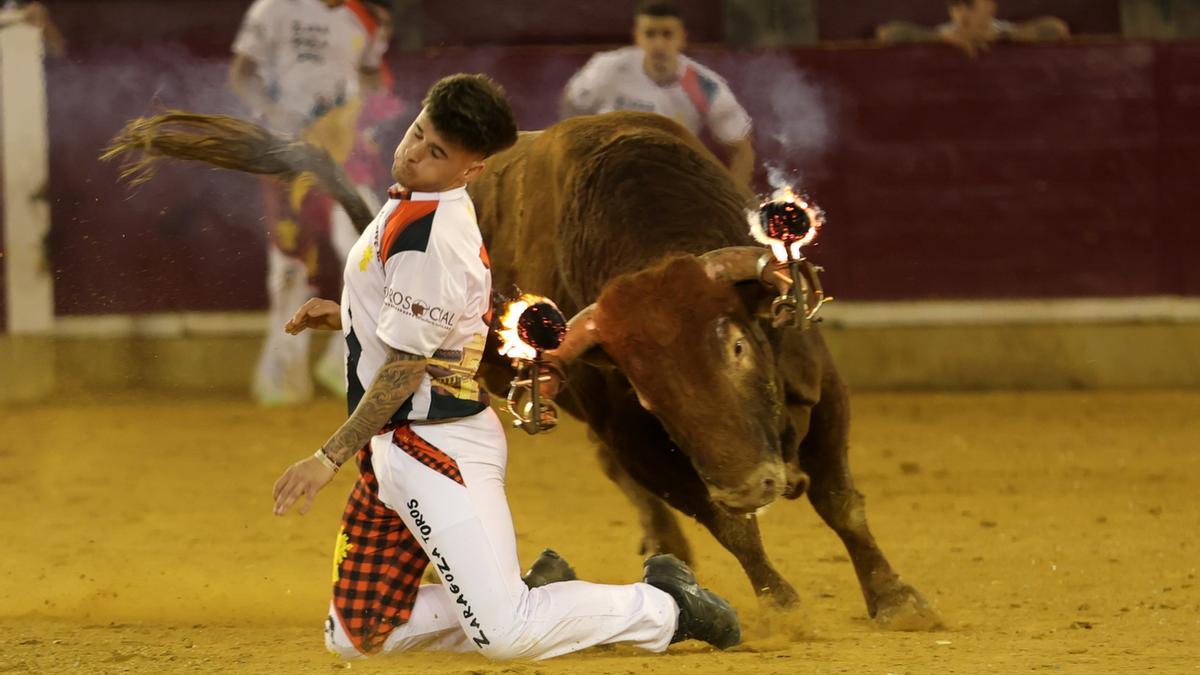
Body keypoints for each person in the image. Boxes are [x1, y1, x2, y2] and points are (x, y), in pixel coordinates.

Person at [272, 73, 741, 660]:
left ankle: (667, 607)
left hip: (437, 450)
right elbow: (430, 321)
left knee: (504, 636)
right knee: (357, 633)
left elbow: (404, 370)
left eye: (436, 152)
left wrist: (325, 459)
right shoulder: (410, 204)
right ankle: (540, 596)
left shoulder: (430, 239)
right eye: (418, 133)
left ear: (471, 171)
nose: (413, 153)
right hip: (394, 445)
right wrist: (351, 314)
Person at [229, 0, 392, 405]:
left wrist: (368, 111)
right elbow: (242, 74)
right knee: (291, 268)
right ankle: (282, 380)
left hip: (347, 151)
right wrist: (273, 113)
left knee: (377, 250)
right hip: (289, 152)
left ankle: (348, 365)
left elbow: (372, 79)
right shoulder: (273, 9)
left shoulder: (367, 16)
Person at [561, 0, 755, 187]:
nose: (658, 44)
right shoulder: (608, 69)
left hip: (670, 185)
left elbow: (741, 150)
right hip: (608, 177)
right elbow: (571, 104)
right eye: (650, 34)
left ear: (682, 38)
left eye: (667, 34)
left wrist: (735, 202)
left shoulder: (701, 85)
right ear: (638, 37)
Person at [877, 0, 1070, 58]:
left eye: (971, 6)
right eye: (957, 6)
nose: (963, 14)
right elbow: (887, 34)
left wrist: (1005, 36)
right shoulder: (942, 32)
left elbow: (1058, 28)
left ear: (990, 8)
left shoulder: (1003, 30)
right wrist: (942, 39)